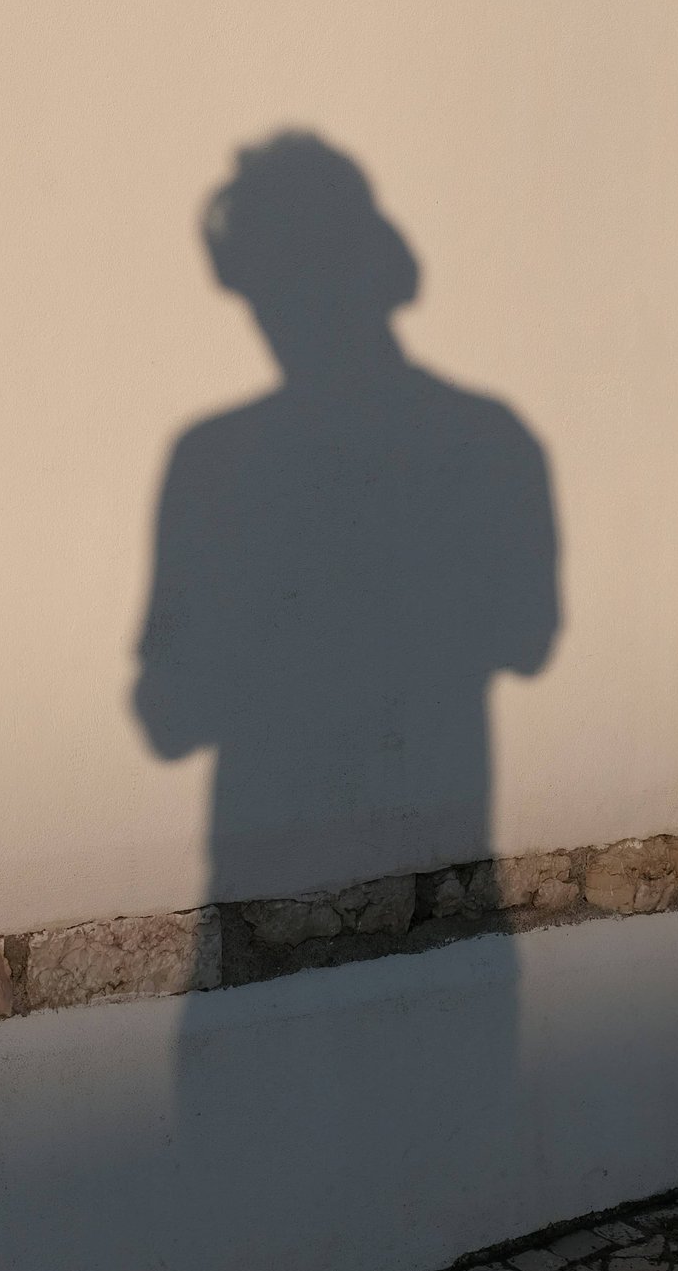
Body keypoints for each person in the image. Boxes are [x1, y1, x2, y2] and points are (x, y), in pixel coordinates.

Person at [134, 132, 558, 904]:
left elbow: (168, 709)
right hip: (411, 895)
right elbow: (526, 637)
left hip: (308, 900)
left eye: (289, 279)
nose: (280, 312)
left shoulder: (215, 464)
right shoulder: (486, 440)